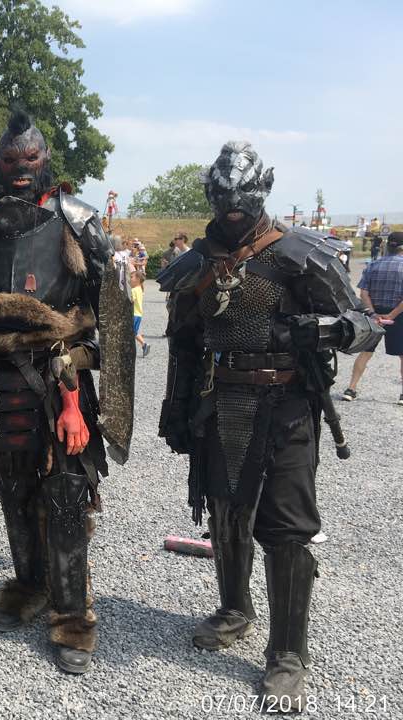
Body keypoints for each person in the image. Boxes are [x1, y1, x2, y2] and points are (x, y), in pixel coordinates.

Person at [158, 141, 382, 709]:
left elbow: (365, 324)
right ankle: (235, 609)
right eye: (225, 199)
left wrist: (326, 331)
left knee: (286, 530)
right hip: (220, 401)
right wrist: (175, 410)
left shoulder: (300, 253)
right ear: (212, 196)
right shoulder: (196, 263)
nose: (233, 209)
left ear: (262, 191)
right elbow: (184, 344)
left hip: (287, 406)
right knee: (227, 514)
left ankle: (287, 654)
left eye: (243, 198)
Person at [0, 109, 134, 674]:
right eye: (11, 159)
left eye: (31, 158)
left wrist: (90, 371)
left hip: (58, 378)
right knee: (14, 486)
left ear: (45, 160)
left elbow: (111, 312)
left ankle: (73, 617)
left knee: (65, 493)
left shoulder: (78, 220)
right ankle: (29, 584)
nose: (21, 167)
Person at [342, 231, 403, 404]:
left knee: (366, 352)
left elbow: (363, 293)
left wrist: (373, 313)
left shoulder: (373, 265)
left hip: (373, 314)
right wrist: (391, 315)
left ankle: (351, 388)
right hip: (399, 314)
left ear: (387, 245)